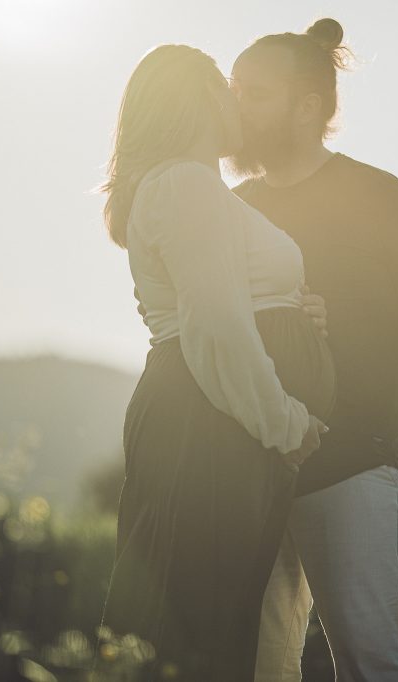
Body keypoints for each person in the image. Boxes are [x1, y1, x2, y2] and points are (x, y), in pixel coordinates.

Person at [229, 18, 398, 682]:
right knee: (255, 668)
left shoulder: (384, 199)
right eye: (233, 89)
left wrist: (363, 410)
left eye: (254, 92)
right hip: (251, 474)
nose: (234, 106)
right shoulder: (232, 209)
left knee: (372, 665)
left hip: (354, 467)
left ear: (308, 107)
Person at [94, 44, 336, 681]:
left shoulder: (195, 187)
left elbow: (234, 304)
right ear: (198, 99)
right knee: (194, 627)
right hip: (206, 419)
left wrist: (295, 312)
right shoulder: (184, 183)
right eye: (225, 87)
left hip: (210, 414)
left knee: (209, 623)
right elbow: (217, 328)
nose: (238, 101)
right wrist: (286, 424)